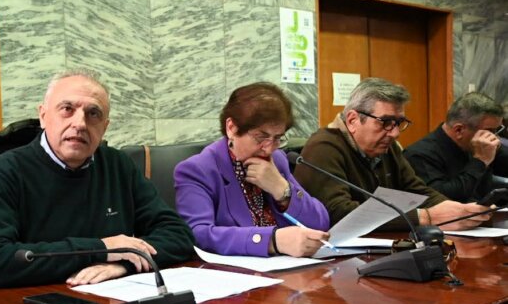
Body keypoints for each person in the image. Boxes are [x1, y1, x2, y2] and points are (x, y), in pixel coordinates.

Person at [0, 69, 194, 288]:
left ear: (105, 127)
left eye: (93, 113)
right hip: (33, 301)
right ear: (43, 116)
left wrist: (124, 264)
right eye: (67, 109)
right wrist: (101, 249)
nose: (80, 123)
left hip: (109, 297)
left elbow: (179, 236)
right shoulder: (5, 170)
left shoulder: (118, 165)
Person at [294, 77, 489, 231]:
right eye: (386, 122)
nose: (394, 133)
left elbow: (416, 191)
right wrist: (425, 217)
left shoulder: (387, 147)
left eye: (398, 123)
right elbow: (339, 212)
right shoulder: (324, 147)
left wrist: (460, 211)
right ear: (353, 120)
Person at [174, 83, 330, 257]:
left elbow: (320, 224)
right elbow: (197, 235)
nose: (269, 149)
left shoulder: (277, 160)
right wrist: (271, 241)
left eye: (277, 138)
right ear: (231, 128)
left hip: (287, 267)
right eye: (261, 137)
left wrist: (282, 190)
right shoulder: (198, 170)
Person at [404, 92, 507, 202]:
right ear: (459, 130)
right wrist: (480, 161)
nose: (494, 138)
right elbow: (444, 199)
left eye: (497, 130)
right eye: (489, 131)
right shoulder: (419, 155)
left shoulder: (482, 143)